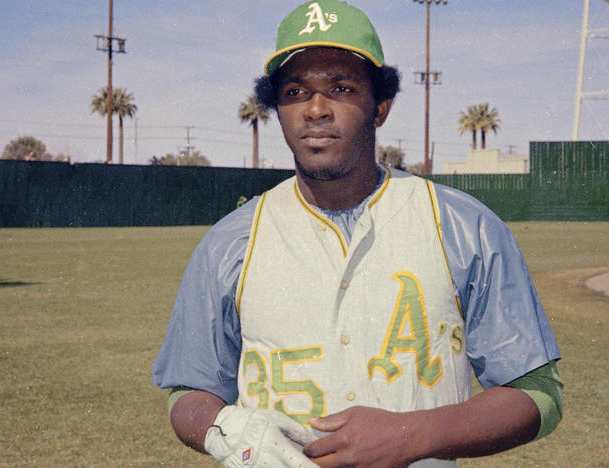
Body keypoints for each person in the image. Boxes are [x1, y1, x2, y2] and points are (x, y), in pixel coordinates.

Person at [152, 1, 563, 466]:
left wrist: (413, 435)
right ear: (277, 108)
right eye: (294, 91)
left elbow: (537, 395)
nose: (316, 109)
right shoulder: (230, 243)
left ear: (380, 106)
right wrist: (229, 432)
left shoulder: (465, 227)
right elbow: (188, 391)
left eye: (341, 88)